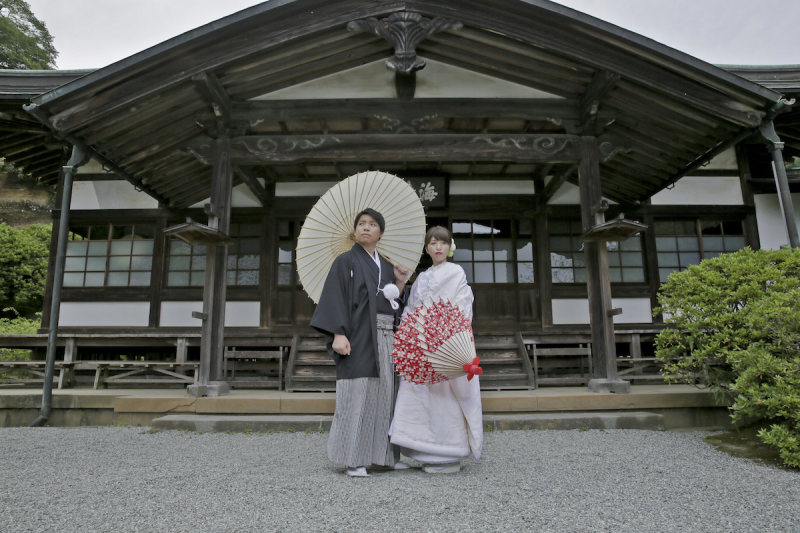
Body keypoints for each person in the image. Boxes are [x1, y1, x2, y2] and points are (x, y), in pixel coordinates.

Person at [310, 208, 411, 477]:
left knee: (386, 394)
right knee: (359, 392)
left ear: (381, 232)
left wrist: (400, 283)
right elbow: (334, 297)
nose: (366, 227)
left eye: (373, 224)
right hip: (358, 335)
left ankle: (385, 456)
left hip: (386, 335)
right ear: (355, 231)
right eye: (361, 224)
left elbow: (391, 301)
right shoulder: (345, 261)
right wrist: (338, 334)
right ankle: (354, 458)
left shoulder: (387, 265)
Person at [389, 226, 483, 474]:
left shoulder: (456, 272)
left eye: (443, 242)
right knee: (420, 396)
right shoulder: (421, 277)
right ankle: (423, 450)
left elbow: (462, 307)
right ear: (426, 248)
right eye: (433, 243)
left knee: (446, 397)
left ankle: (448, 452)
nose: (438, 247)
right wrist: (411, 335)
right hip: (422, 345)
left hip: (446, 345)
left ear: (449, 246)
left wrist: (442, 335)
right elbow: (411, 308)